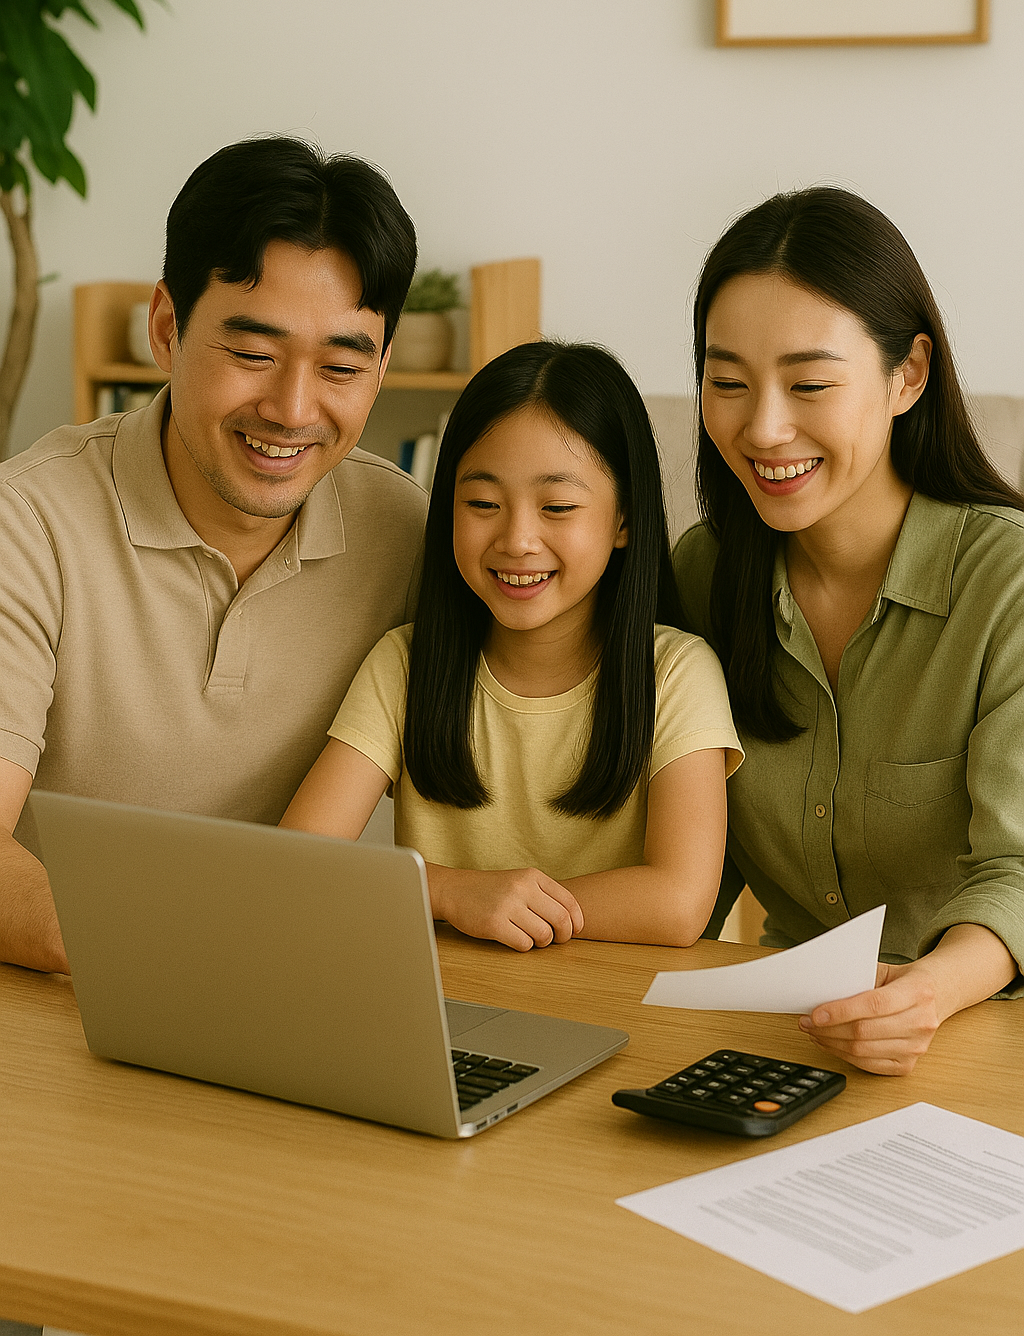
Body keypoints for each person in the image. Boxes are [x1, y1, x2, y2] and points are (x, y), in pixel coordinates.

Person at [0, 136, 426, 975]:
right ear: (167, 328)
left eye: (341, 364)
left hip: (273, 994)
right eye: (252, 354)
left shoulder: (404, 531)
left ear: (381, 366)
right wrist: (207, 950)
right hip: (52, 1006)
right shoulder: (28, 524)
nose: (292, 407)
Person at [673, 185, 1024, 1076]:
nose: (763, 427)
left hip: (977, 1036)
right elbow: (686, 856)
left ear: (908, 374)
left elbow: (1021, 872)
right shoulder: (702, 576)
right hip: (780, 1035)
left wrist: (929, 991)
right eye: (726, 383)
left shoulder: (1006, 585)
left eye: (810, 384)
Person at [281, 341, 742, 951]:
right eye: (482, 504)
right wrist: (452, 894)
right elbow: (297, 865)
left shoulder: (677, 672)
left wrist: (507, 906)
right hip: (445, 1007)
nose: (518, 539)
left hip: (620, 1008)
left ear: (625, 519)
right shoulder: (406, 665)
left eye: (557, 506)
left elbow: (678, 905)